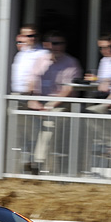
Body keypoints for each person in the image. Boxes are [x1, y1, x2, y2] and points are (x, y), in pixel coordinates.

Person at [26, 31, 82, 174]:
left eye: (60, 43)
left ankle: (37, 163)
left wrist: (49, 106)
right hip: (39, 102)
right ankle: (17, 159)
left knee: (48, 124)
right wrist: (33, 100)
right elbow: (32, 82)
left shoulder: (71, 63)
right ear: (46, 45)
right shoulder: (40, 60)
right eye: (54, 43)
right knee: (13, 115)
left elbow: (67, 90)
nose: (57, 47)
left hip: (61, 104)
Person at [10, 24, 43, 94]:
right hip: (16, 94)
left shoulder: (43, 53)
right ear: (21, 37)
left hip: (32, 95)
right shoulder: (20, 54)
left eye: (35, 35)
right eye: (29, 36)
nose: (33, 38)